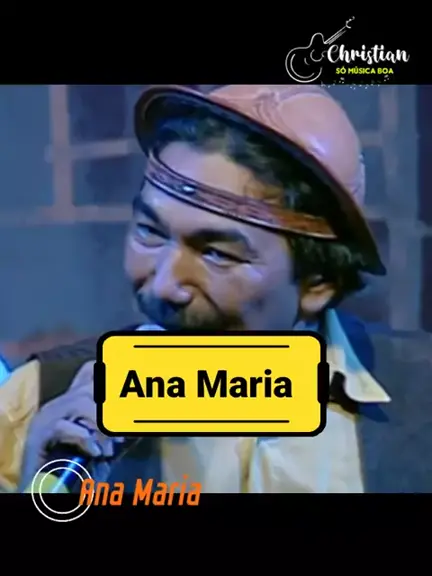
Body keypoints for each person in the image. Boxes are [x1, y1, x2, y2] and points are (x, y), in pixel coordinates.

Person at [1, 84, 431, 494]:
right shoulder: (33, 402)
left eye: (216, 254)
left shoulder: (421, 395)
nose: (165, 286)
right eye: (150, 232)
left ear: (318, 281)